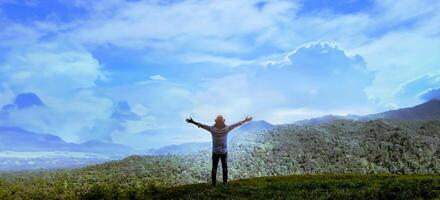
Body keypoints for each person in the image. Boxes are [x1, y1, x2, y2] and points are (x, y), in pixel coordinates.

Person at [185, 115, 253, 185]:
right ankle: (225, 183)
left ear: (216, 122)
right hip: (224, 152)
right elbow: (236, 125)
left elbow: (202, 125)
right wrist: (245, 120)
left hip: (215, 152)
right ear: (223, 121)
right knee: (225, 167)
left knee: (214, 167)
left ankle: (214, 183)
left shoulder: (212, 129)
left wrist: (193, 122)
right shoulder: (226, 129)